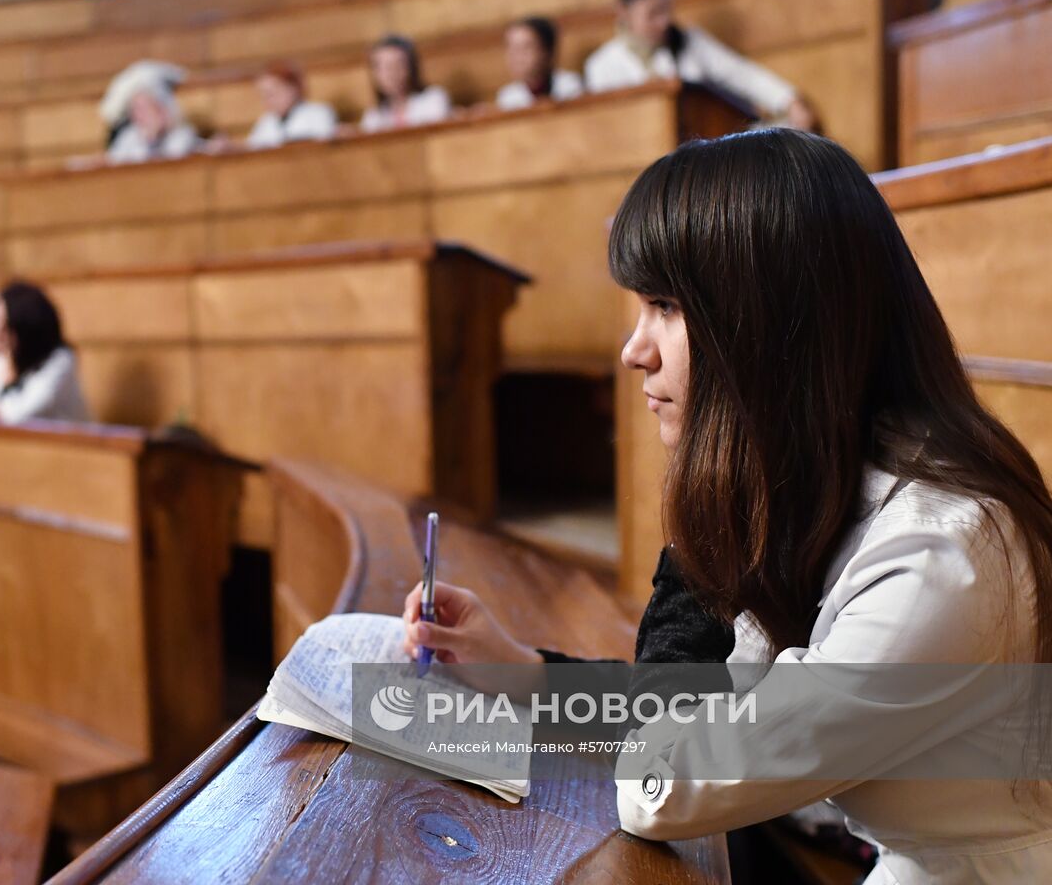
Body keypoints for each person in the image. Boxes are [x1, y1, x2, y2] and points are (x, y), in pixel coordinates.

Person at [403, 130, 1052, 882]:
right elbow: (705, 702)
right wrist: (519, 673)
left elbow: (665, 784)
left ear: (768, 322)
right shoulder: (832, 477)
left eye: (664, 306)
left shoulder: (937, 557)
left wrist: (708, 487)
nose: (633, 350)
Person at [584, 0, 816, 130]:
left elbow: (739, 73)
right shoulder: (601, 66)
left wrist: (789, 101)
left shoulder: (689, 41)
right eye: (653, 13)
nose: (664, 22)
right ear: (624, 12)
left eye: (667, 10)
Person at [0, 281, 90, 425]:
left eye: (4, 326)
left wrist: (8, 381)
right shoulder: (2, 361)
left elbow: (18, 416)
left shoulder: (60, 362)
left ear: (25, 330)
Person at [98, 60, 203, 164]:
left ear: (162, 108)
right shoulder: (129, 139)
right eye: (136, 110)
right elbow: (112, 163)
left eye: (146, 108)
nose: (140, 116)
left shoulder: (182, 136)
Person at [360, 35, 452, 133]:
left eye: (398, 65)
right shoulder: (373, 118)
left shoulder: (434, 99)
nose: (392, 74)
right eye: (385, 67)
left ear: (412, 68)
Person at [496, 16, 584, 111]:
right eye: (512, 48)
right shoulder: (507, 97)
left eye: (526, 48)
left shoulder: (572, 86)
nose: (516, 57)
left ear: (546, 51)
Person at [245, 61, 339, 150]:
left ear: (293, 88)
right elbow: (251, 149)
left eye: (273, 93)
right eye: (264, 96)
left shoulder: (319, 113)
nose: (269, 100)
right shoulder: (267, 122)